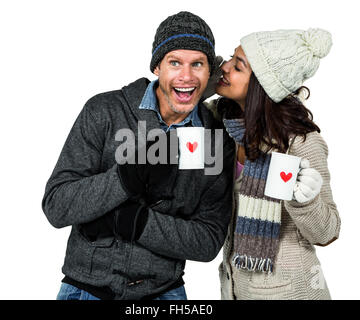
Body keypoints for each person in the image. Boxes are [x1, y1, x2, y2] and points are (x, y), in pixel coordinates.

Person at [41, 11, 234, 300]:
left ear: (209, 73)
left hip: (163, 292)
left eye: (197, 64)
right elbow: (57, 206)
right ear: (157, 66)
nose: (186, 75)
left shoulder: (215, 140)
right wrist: (124, 179)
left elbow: (207, 240)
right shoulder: (104, 111)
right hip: (86, 288)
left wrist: (134, 222)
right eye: (174, 62)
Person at [207, 28, 341, 299]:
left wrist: (306, 201)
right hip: (234, 287)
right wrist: (198, 87)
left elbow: (327, 232)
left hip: (290, 291)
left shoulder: (301, 142)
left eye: (238, 66)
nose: (225, 66)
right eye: (232, 57)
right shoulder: (224, 127)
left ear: (262, 84)